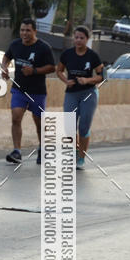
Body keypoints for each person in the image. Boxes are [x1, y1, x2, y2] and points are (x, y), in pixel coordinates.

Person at [1, 19, 55, 165]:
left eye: (28, 30)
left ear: (34, 31)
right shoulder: (15, 45)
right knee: (16, 118)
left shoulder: (43, 47)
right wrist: (4, 67)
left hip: (37, 92)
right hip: (19, 89)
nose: (24, 33)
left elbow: (52, 67)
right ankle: (17, 151)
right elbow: (6, 56)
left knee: (38, 123)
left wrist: (35, 70)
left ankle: (42, 148)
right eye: (22, 30)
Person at [56, 26, 103, 169]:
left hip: (88, 93)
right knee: (69, 127)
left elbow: (101, 76)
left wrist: (87, 80)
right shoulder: (67, 54)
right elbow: (59, 70)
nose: (78, 40)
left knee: (83, 127)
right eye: (76, 37)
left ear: (87, 39)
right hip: (71, 93)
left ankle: (81, 158)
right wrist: (66, 81)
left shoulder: (93, 56)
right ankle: (75, 150)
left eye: (81, 38)